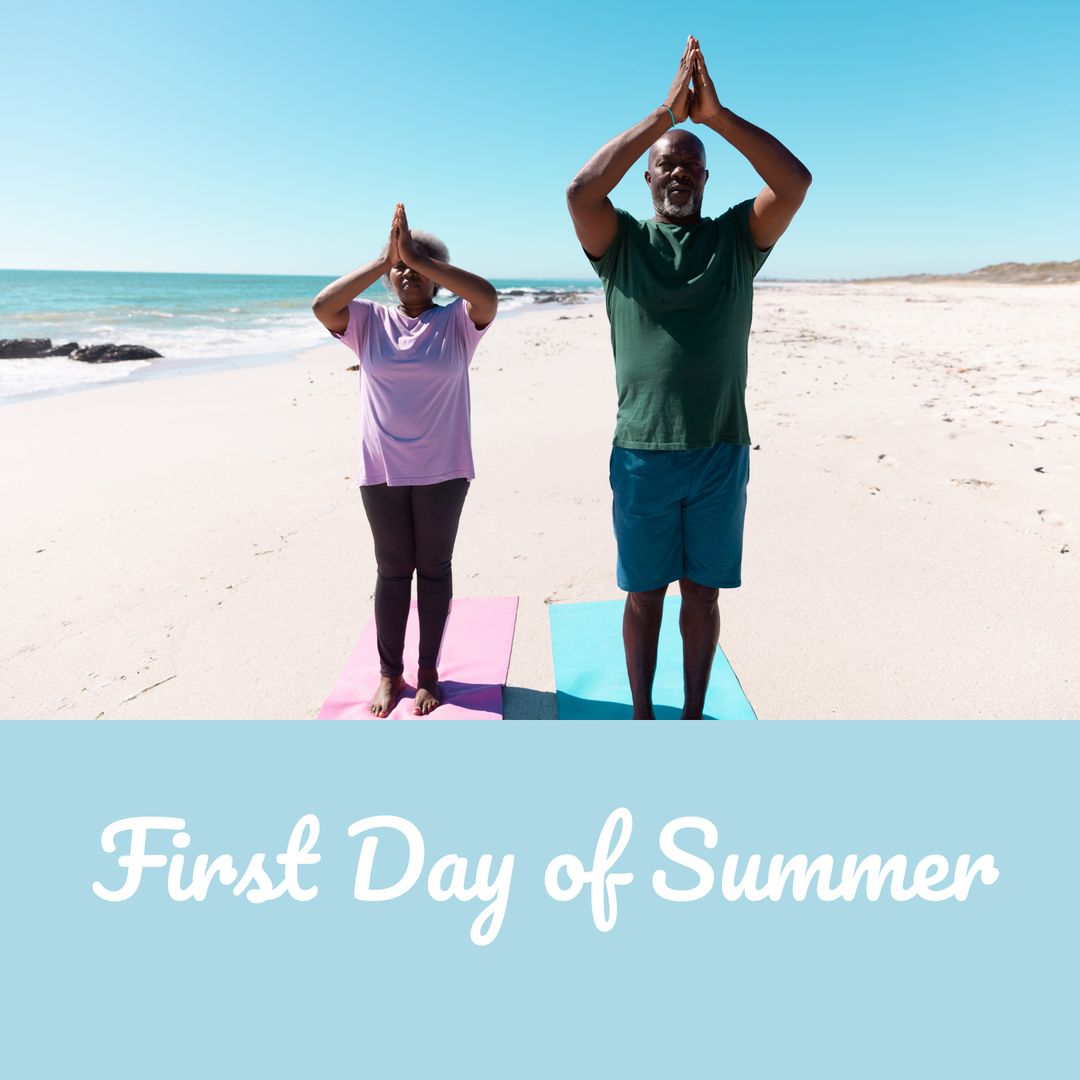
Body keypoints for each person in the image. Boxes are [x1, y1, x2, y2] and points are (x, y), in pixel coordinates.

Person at [566, 36, 812, 719]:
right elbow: (580, 190)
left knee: (702, 594)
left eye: (691, 169)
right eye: (665, 167)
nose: (678, 174)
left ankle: (693, 714)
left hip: (719, 449)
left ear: (705, 181)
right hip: (642, 451)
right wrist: (665, 117)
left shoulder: (736, 240)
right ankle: (643, 716)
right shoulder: (622, 244)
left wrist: (714, 120)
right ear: (647, 180)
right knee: (644, 595)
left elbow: (795, 183)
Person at [312, 203, 498, 716]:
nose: (408, 274)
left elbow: (487, 297)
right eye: (400, 269)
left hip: (444, 470)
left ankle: (429, 671)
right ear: (388, 279)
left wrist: (417, 255)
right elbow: (322, 306)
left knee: (434, 569)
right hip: (383, 472)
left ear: (436, 277)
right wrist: (384, 259)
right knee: (393, 571)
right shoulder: (369, 321)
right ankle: (389, 675)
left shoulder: (458, 322)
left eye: (419, 267)